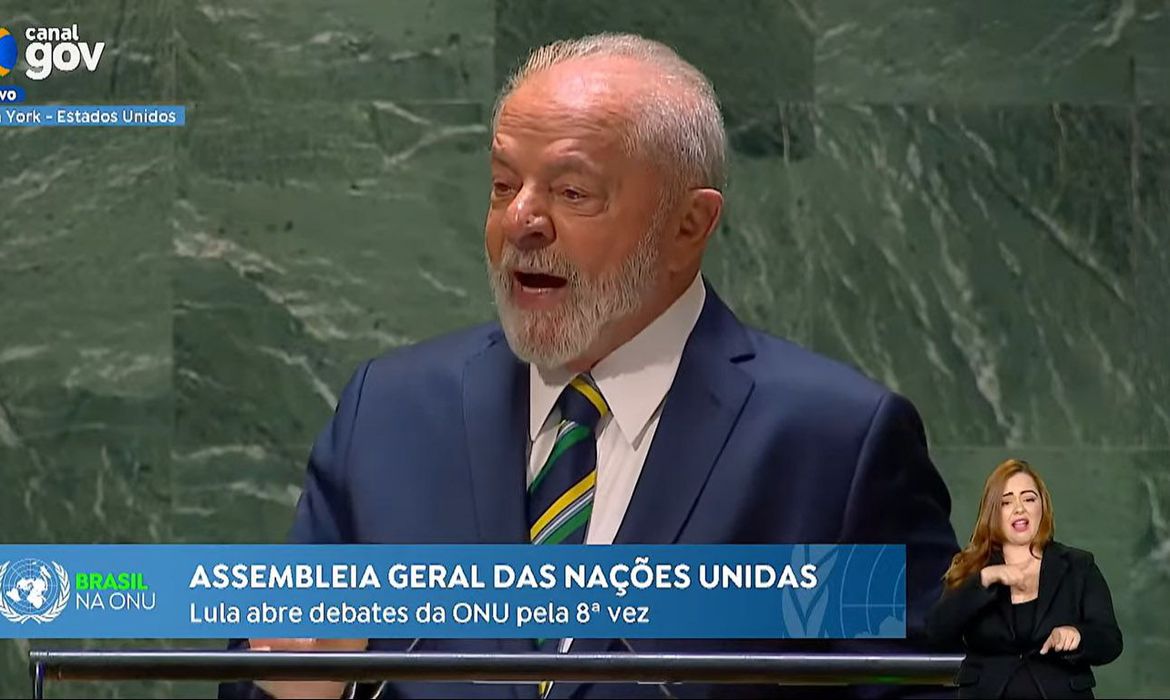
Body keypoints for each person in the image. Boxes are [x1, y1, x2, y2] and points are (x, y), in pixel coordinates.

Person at [219, 32, 959, 699]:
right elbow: (263, 674)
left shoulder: (833, 445)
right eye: (503, 184)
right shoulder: (389, 413)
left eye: (572, 192)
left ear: (688, 225)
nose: (521, 220)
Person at [926, 459, 1122, 699]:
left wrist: (1078, 636)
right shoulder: (973, 568)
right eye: (1006, 502)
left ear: (1042, 506)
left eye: (1028, 499)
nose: (1019, 508)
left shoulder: (1079, 566)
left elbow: (1110, 640)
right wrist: (984, 580)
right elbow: (936, 632)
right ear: (993, 513)